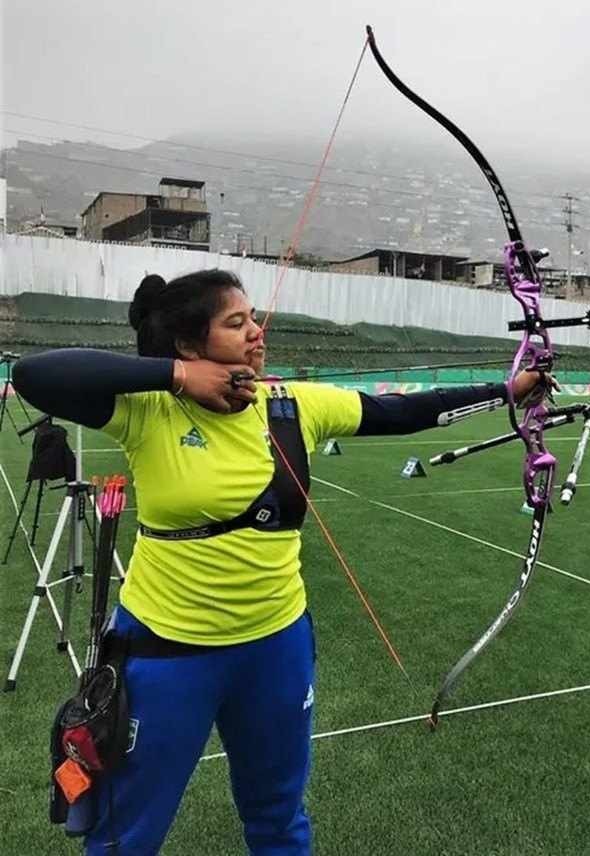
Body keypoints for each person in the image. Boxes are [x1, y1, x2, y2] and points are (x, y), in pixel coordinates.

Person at [13, 269, 550, 855]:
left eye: (254, 319)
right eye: (235, 323)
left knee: (278, 817)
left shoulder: (291, 406)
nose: (256, 333)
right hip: (166, 652)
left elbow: (403, 412)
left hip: (275, 647)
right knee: (126, 833)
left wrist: (508, 391)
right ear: (191, 344)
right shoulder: (149, 411)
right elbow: (34, 375)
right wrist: (178, 377)